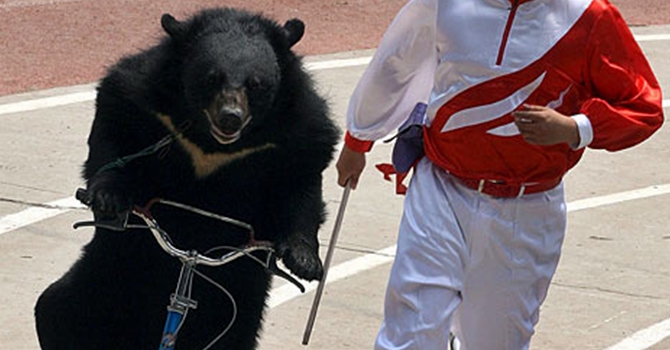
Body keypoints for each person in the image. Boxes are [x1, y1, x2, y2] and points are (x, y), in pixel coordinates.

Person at [335, 0, 664, 349]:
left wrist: (575, 128)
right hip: (440, 188)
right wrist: (358, 139)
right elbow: (396, 60)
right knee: (410, 333)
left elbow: (642, 107)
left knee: (495, 342)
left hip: (528, 209)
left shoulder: (588, 15)